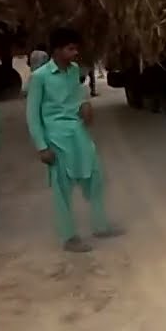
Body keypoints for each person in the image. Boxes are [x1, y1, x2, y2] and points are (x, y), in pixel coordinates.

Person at [26, 27, 123, 253]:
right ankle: (69, 237)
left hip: (78, 133)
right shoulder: (39, 78)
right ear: (57, 50)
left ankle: (100, 225)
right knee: (62, 188)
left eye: (76, 49)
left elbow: (77, 95)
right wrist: (42, 147)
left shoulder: (74, 71)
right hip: (56, 138)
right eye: (70, 49)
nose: (74, 53)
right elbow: (32, 115)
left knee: (96, 177)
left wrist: (85, 105)